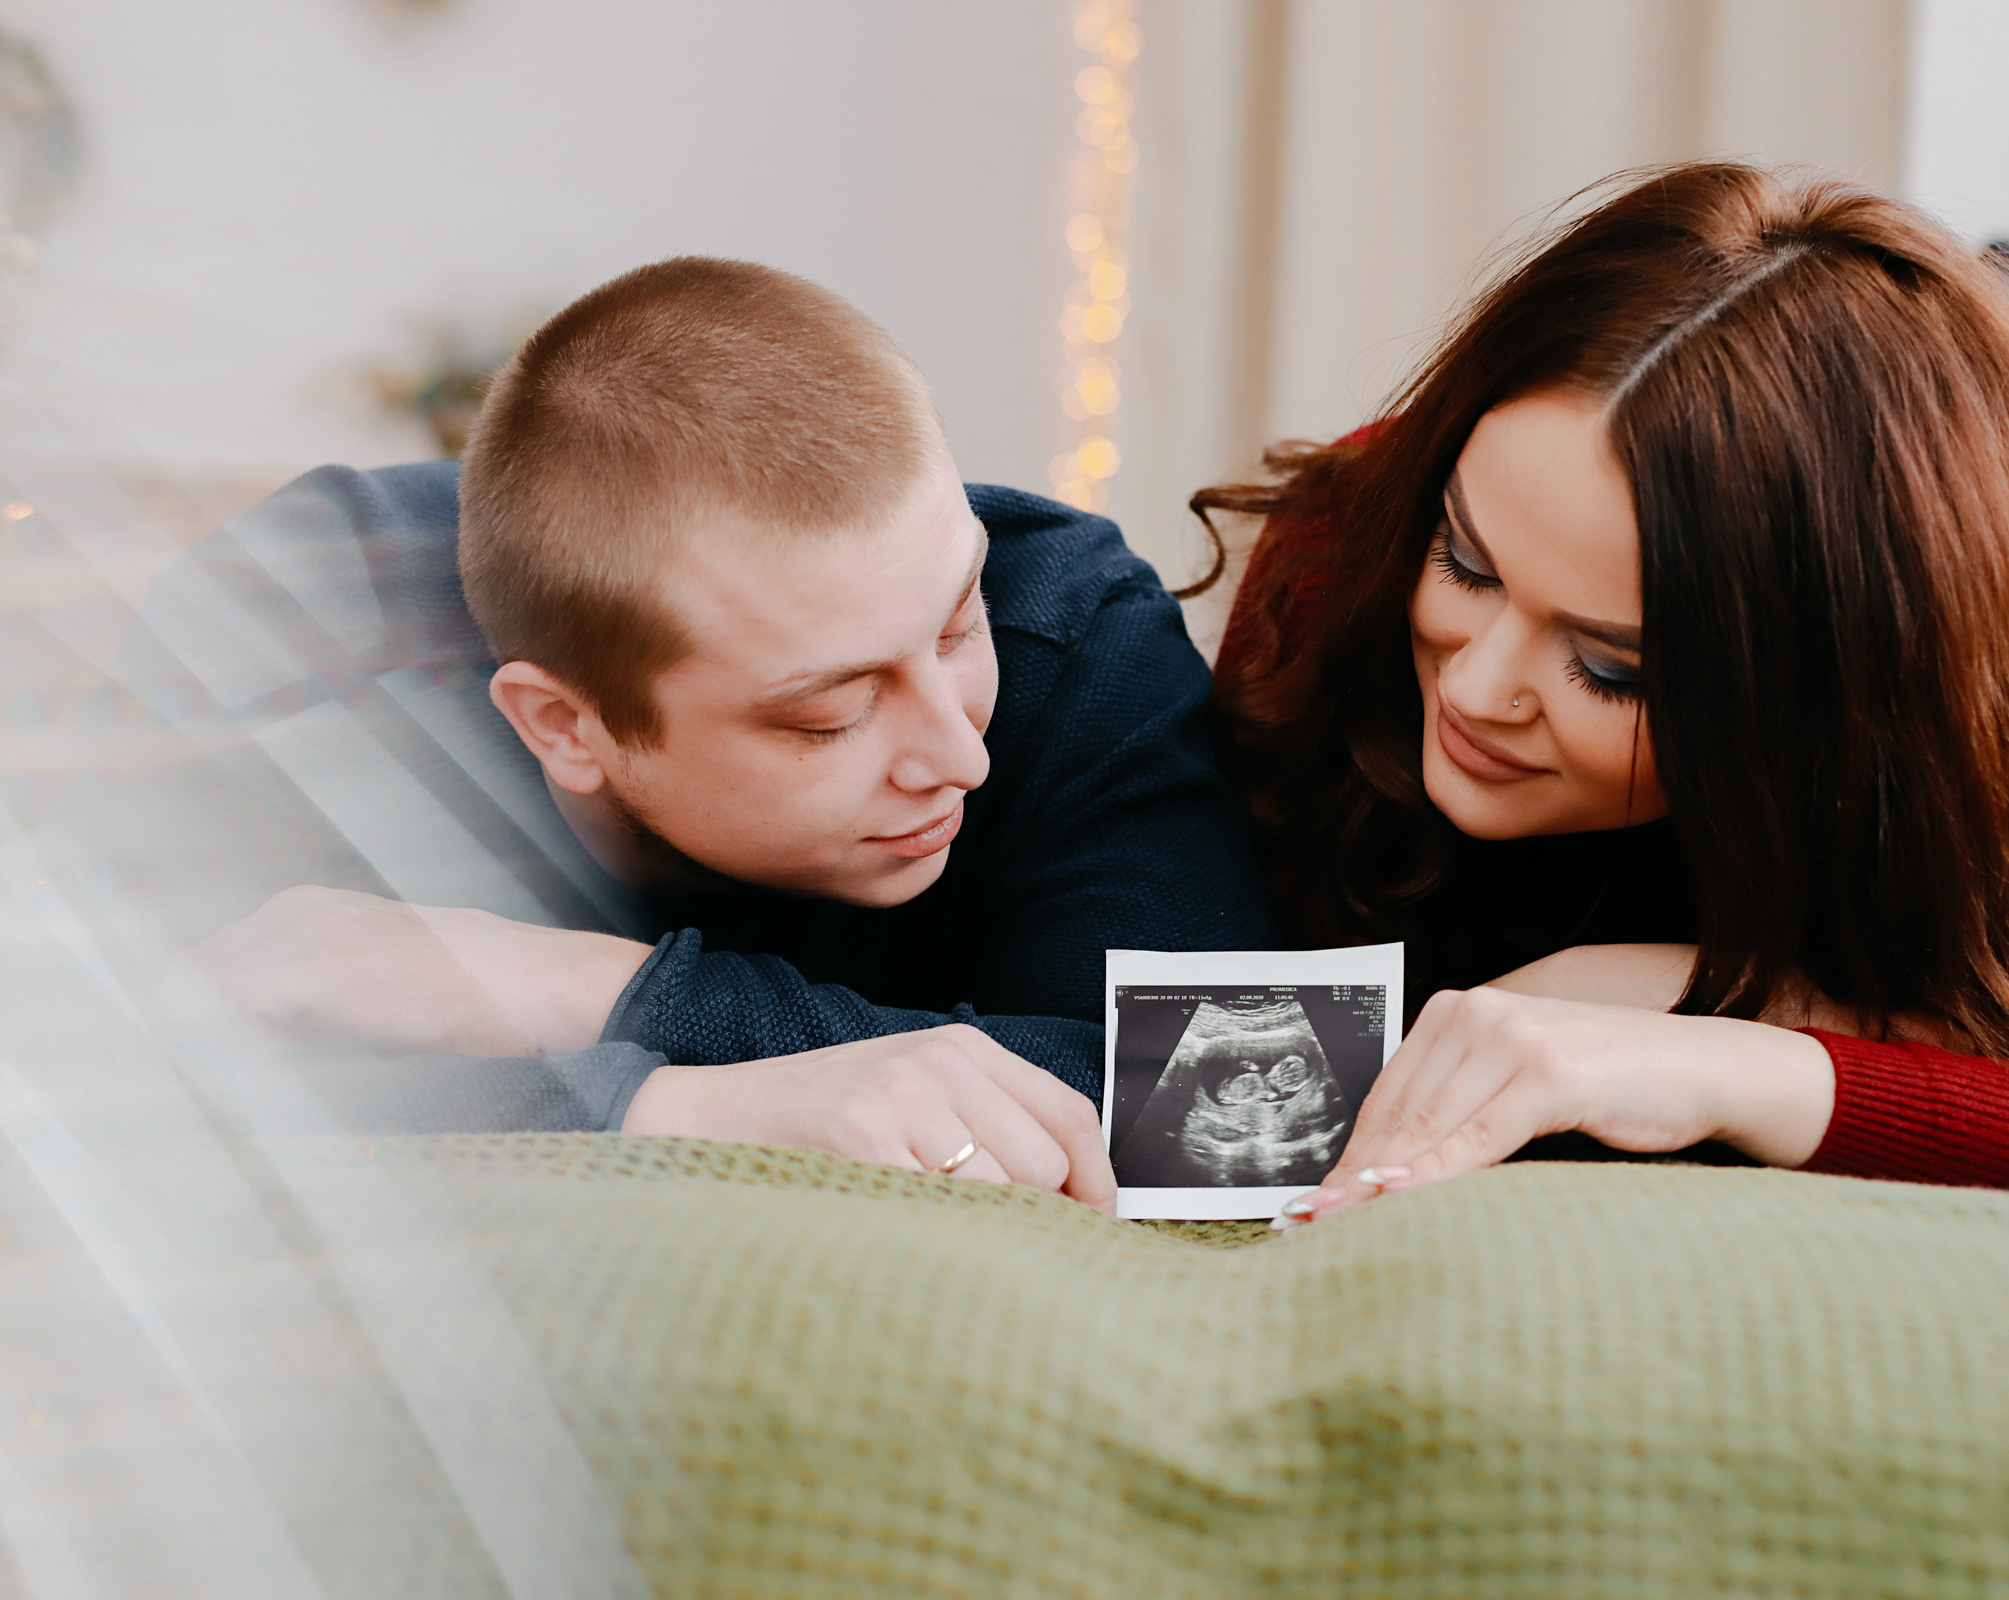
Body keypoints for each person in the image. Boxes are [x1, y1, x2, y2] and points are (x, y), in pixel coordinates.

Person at [1191, 164, 2009, 1226]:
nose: (1478, 682)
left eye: (1613, 665)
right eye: (1469, 563)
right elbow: (1192, 1046)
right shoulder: (1350, 545)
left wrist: (1720, 1033)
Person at [199, 258, 1278, 1201]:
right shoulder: (300, 618)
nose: (961, 754)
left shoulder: (1067, 613)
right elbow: (109, 1079)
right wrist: (675, 1106)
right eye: (832, 713)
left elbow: (1245, 1119)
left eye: (957, 626)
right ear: (564, 724)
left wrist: (603, 996)